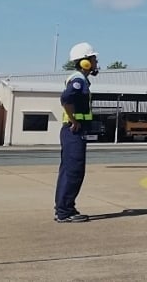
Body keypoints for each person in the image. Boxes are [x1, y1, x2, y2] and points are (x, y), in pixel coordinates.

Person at [55, 42, 99, 223]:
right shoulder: (78, 80)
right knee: (73, 171)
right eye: (94, 59)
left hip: (74, 131)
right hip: (74, 131)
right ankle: (64, 212)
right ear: (85, 62)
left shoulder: (80, 79)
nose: (96, 63)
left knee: (69, 170)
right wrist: (73, 120)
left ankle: (65, 208)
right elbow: (66, 98)